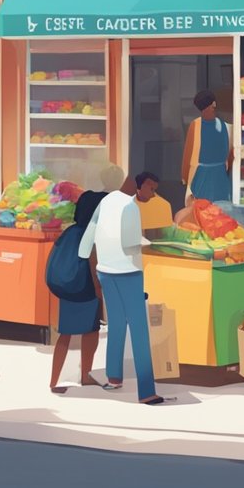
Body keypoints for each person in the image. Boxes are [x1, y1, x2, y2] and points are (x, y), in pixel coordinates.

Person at [79, 172, 165, 405]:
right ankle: (147, 391)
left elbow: (91, 230)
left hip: (105, 270)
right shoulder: (130, 207)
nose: (152, 194)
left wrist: (84, 254)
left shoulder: (106, 201)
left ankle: (114, 378)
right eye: (149, 189)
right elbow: (129, 243)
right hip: (128, 272)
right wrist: (147, 243)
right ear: (135, 187)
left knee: (116, 324)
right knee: (139, 330)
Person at [47, 184, 106, 393]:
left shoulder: (70, 231)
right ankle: (85, 375)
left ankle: (55, 380)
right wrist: (99, 290)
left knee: (66, 334)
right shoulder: (93, 233)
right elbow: (92, 263)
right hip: (85, 289)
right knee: (91, 332)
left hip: (67, 288)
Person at [182, 90, 233, 203]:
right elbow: (188, 152)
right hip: (208, 175)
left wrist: (185, 177)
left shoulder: (225, 127)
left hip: (212, 175)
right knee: (210, 208)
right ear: (213, 103)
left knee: (212, 208)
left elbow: (187, 155)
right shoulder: (196, 125)